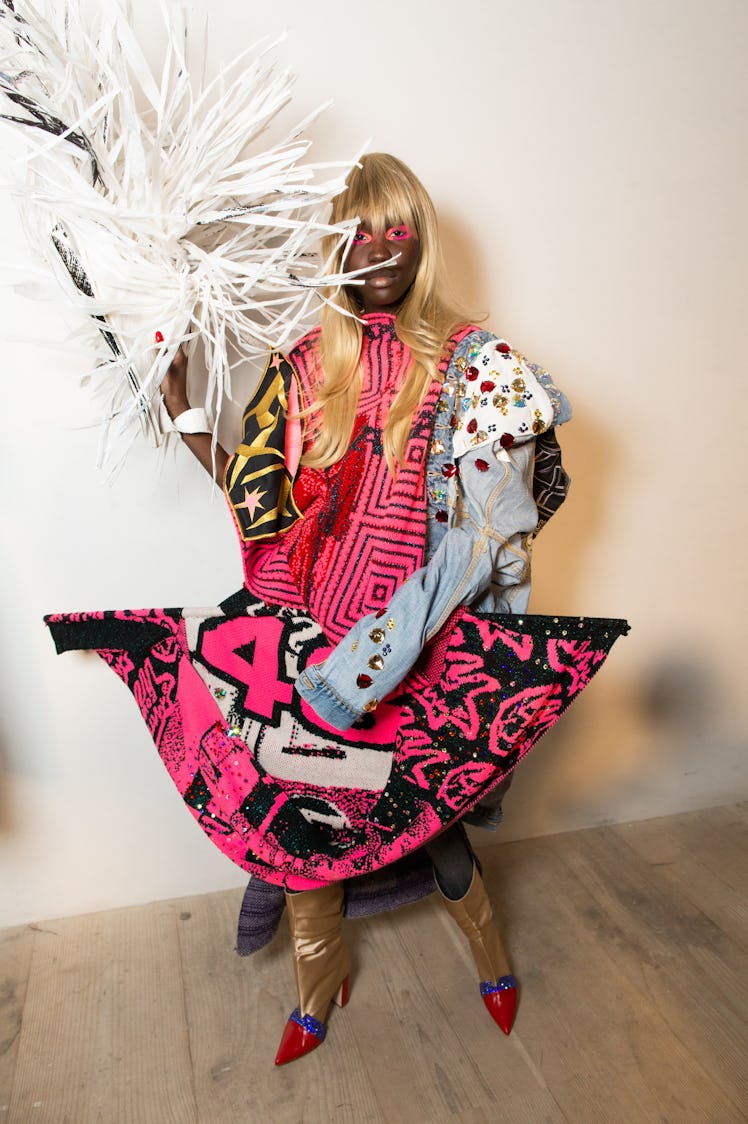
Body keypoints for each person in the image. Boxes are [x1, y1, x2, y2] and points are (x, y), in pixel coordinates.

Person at [158, 153, 573, 1065]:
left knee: (440, 829)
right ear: (335, 245)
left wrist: (366, 670)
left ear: (420, 240)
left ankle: (492, 957)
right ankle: (314, 995)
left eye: (398, 228)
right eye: (360, 229)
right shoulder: (309, 363)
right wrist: (188, 414)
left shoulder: (479, 367)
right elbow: (262, 501)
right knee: (306, 829)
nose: (380, 248)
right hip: (313, 638)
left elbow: (482, 542)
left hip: (415, 650)